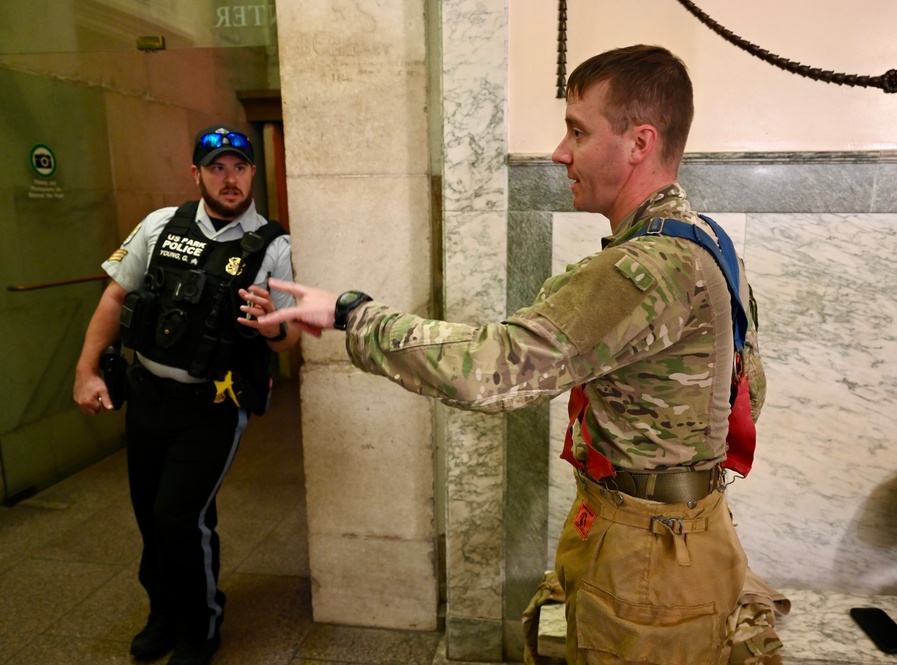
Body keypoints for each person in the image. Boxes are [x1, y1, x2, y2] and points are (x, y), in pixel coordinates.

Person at [256, 45, 766, 664]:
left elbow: (495, 369)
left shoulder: (643, 269)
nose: (559, 153)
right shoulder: (705, 239)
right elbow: (749, 390)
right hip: (681, 533)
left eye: (578, 131)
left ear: (639, 142)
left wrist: (352, 314)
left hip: (649, 562)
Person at [73, 124, 299, 665]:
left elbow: (290, 338)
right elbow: (114, 296)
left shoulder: (272, 244)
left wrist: (272, 326)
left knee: (179, 516)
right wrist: (86, 370)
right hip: (148, 395)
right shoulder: (158, 225)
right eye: (217, 167)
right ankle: (164, 614)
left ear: (250, 174)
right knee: (151, 514)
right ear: (195, 173)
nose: (230, 179)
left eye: (240, 168)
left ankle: (200, 626)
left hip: (213, 406)